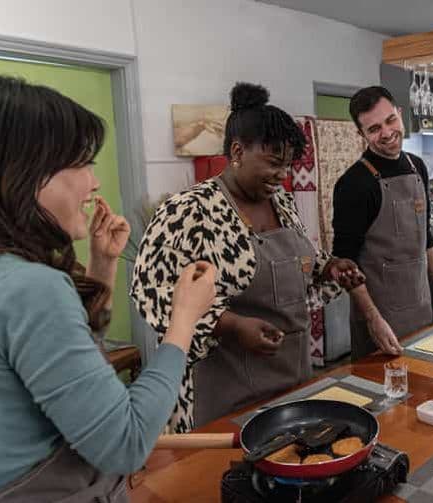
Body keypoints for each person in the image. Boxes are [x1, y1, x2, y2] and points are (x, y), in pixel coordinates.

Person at [0, 76, 216, 502]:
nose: (93, 182)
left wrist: (102, 267)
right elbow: (126, 442)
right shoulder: (30, 287)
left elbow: (65, 372)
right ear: (25, 174)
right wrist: (185, 319)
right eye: (81, 164)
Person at [131, 82, 364, 433]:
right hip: (223, 387)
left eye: (287, 165)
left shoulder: (281, 203)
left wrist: (330, 269)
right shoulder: (189, 211)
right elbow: (151, 293)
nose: (282, 175)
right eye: (273, 163)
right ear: (238, 151)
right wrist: (231, 326)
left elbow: (303, 269)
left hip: (291, 377)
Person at [333, 86, 433, 359]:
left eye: (391, 120)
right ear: (361, 134)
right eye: (374, 129)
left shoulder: (417, 167)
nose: (388, 133)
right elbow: (346, 265)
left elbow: (423, 234)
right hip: (380, 319)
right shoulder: (353, 185)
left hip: (421, 307)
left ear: (400, 114)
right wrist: (372, 319)